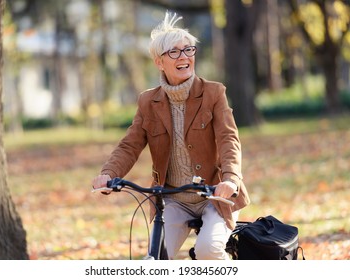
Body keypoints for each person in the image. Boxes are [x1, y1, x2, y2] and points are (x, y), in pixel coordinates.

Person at [92, 11, 250, 260]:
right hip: (173, 199)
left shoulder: (213, 93)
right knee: (157, 258)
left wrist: (230, 179)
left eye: (188, 50)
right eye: (174, 52)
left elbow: (229, 139)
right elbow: (130, 144)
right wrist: (108, 174)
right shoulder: (148, 101)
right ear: (159, 61)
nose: (184, 56)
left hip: (215, 196)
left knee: (208, 250)